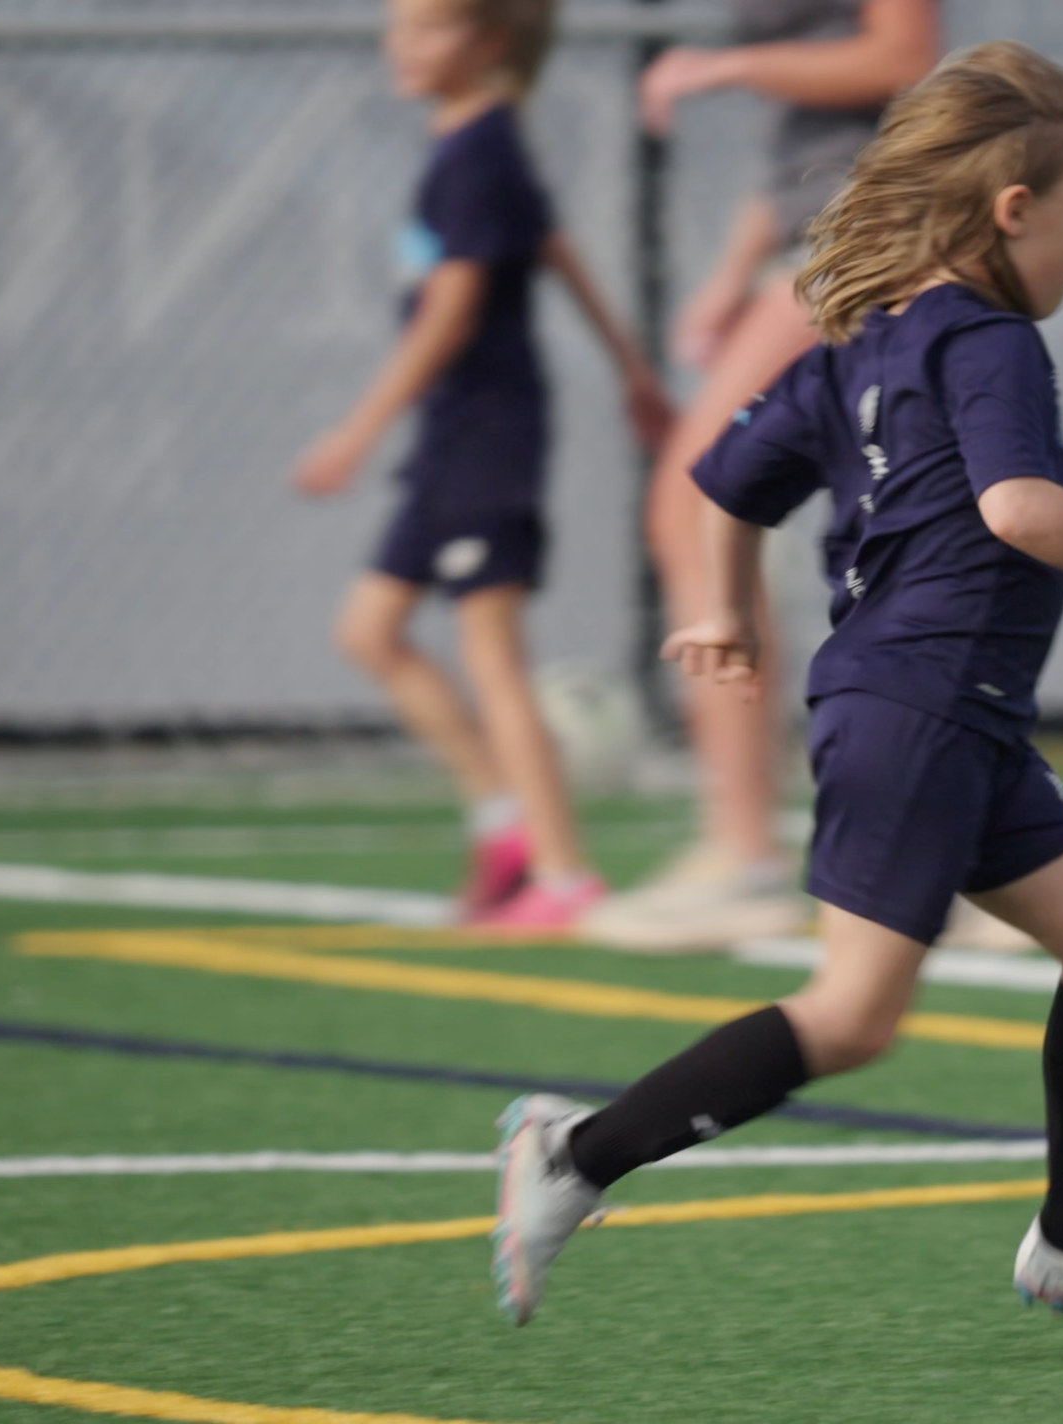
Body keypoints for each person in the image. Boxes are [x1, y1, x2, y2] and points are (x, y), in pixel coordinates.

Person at [492, 42, 1063, 1341]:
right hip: (921, 705)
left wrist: (719, 603)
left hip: (953, 711)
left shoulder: (865, 341)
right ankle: (575, 1154)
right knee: (849, 1019)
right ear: (1014, 211)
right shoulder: (991, 341)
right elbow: (1018, 507)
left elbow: (722, 483)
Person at [294, 0, 672, 927]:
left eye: (426, 28)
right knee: (371, 629)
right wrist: (631, 368)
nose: (401, 44)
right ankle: (506, 821)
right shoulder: (474, 143)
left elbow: (454, 307)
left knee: (494, 653)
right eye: (399, 26)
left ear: (489, 41)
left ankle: (563, 873)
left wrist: (357, 430)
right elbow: (556, 249)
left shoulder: (479, 150)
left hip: (485, 434)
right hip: (450, 437)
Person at [578, 0, 946, 951]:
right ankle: (957, 859)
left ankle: (745, 855)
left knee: (701, 506)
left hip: (873, 240)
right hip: (824, 242)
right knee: (890, 540)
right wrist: (731, 273)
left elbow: (901, 54)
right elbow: (802, 144)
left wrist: (720, 69)